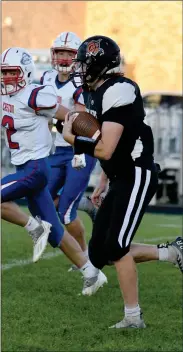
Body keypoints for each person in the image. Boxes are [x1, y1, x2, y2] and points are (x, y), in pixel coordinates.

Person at [62, 35, 183, 327]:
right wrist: (103, 180)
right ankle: (173, 253)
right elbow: (111, 145)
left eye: (84, 63)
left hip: (137, 173)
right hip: (119, 175)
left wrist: (73, 140)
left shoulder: (120, 89)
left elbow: (105, 147)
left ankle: (133, 317)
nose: (79, 69)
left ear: (100, 65)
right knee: (99, 252)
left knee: (117, 246)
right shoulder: (96, 92)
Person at [1, 46, 107, 296]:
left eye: (11, 72)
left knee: (41, 223)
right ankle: (92, 273)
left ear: (25, 72)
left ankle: (34, 227)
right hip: (24, 168)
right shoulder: (4, 96)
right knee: (56, 232)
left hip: (36, 169)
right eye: (3, 72)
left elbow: (70, 116)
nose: (7, 78)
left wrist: (97, 139)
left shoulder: (36, 95)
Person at [40, 32, 97, 270]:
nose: (64, 58)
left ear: (77, 57)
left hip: (78, 149)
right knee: (43, 203)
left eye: (69, 53)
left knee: (65, 213)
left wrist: (77, 151)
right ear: (53, 55)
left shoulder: (81, 82)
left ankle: (84, 255)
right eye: (60, 53)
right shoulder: (44, 77)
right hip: (56, 150)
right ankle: (86, 204)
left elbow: (81, 120)